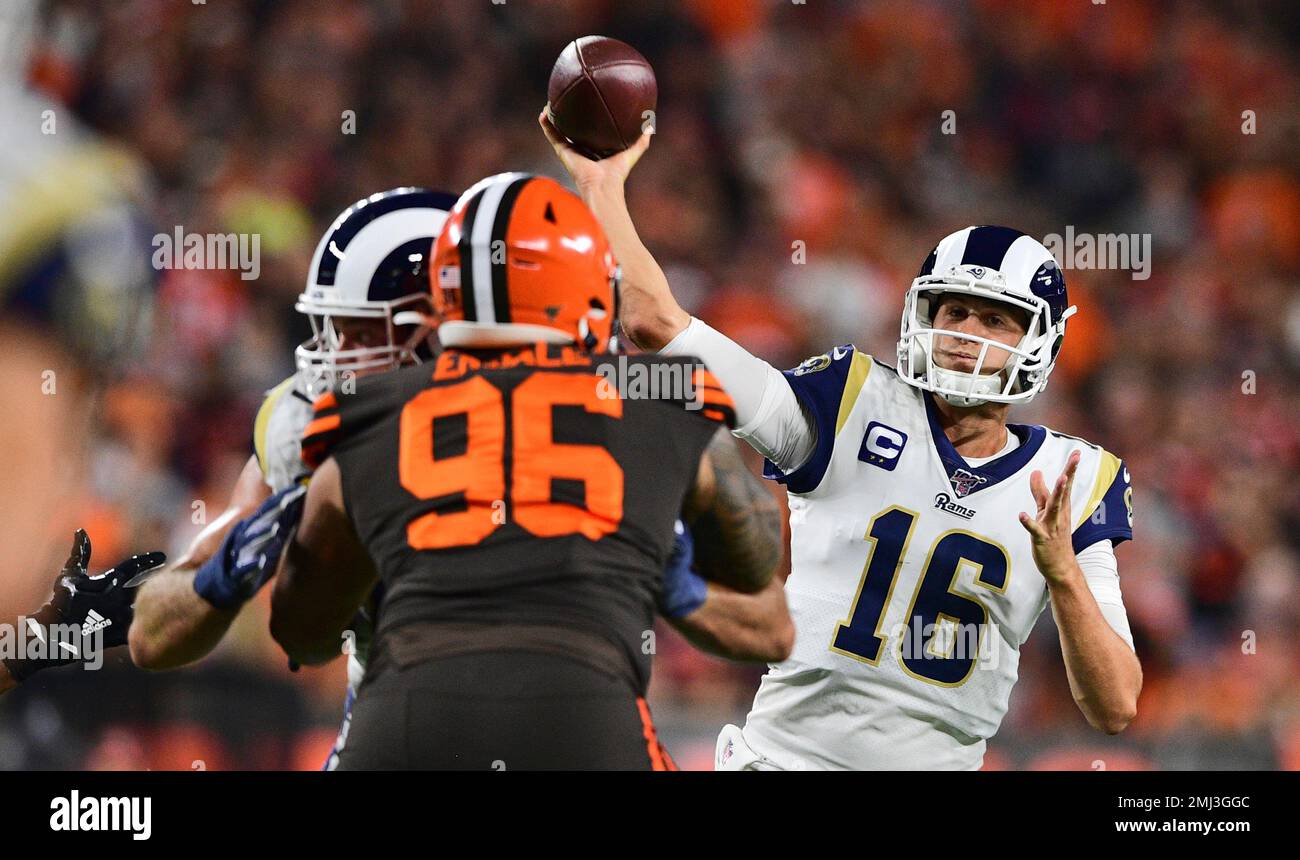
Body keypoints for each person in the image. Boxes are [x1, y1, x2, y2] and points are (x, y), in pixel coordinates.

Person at [541, 116, 1142, 771]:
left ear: (1039, 343)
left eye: (994, 319)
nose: (966, 331)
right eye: (953, 312)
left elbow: (1115, 707)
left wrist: (1063, 578)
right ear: (923, 316)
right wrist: (600, 188)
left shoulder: (1074, 477)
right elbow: (654, 322)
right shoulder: (852, 402)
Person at [271, 173, 790, 769]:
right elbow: (760, 578)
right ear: (594, 291)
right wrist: (679, 586)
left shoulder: (363, 414)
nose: (339, 354)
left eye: (356, 333)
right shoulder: (661, 397)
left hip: (405, 723)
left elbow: (303, 634)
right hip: (583, 716)